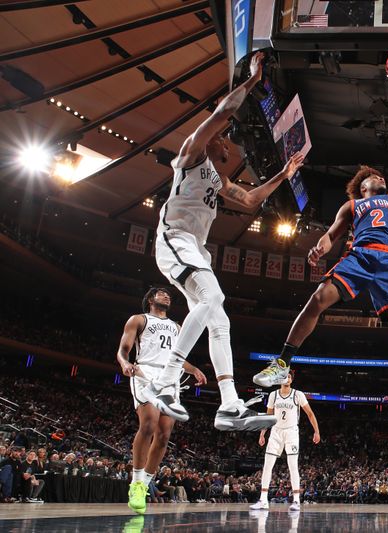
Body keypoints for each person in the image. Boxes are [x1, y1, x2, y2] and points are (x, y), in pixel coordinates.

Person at [142, 50, 303, 431]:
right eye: (225, 139)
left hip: (193, 249)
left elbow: (248, 199)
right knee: (214, 299)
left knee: (220, 322)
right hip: (174, 240)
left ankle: (229, 405)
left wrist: (282, 175)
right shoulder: (191, 153)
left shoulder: (217, 177)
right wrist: (250, 80)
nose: (229, 144)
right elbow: (221, 115)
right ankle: (165, 380)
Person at [252, 130, 388, 429]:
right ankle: (282, 364)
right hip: (359, 256)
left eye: (380, 176)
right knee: (318, 300)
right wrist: (318, 248)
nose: (379, 178)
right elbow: (330, 235)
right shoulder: (351, 207)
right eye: (372, 177)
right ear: (362, 187)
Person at [117, 287, 207, 514]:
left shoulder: (177, 327)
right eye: (160, 293)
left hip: (170, 377)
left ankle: (145, 484)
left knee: (164, 434)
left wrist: (194, 368)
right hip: (145, 372)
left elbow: (179, 358)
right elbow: (123, 350)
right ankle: (136, 483)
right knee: (148, 424)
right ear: (150, 299)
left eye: (168, 294)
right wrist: (125, 363)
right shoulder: (138, 320)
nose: (166, 296)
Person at [250, 372, 320, 512]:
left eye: (289, 376)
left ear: (292, 380)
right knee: (267, 465)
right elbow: (269, 416)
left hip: (291, 432)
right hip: (276, 431)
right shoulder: (273, 395)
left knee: (292, 466)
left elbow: (310, 414)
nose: (286, 378)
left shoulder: (297, 394)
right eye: (284, 376)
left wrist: (316, 431)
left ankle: (296, 501)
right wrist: (263, 433)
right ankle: (263, 499)